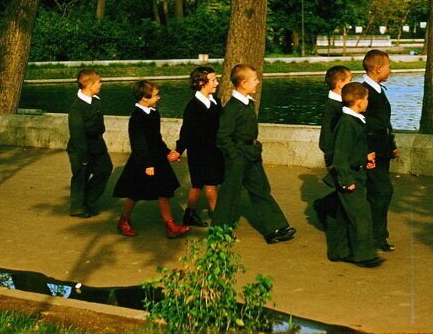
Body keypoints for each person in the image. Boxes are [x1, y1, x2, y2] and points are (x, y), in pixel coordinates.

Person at [211, 64, 296, 244]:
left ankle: (275, 228)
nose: (258, 82)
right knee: (229, 195)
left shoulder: (247, 103)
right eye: (255, 79)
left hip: (251, 155)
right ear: (243, 83)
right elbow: (222, 136)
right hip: (239, 157)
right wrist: (234, 156)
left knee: (261, 190)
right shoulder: (232, 108)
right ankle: (219, 233)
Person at [113, 81, 190, 238]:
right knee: (135, 192)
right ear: (145, 97)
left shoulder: (154, 113)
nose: (159, 97)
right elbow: (138, 143)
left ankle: (170, 225)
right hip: (142, 161)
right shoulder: (136, 118)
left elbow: (156, 139)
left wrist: (168, 153)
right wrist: (148, 164)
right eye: (156, 95)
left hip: (157, 159)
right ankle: (124, 220)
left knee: (164, 191)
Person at [327, 82, 384, 268]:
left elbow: (352, 148)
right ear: (359, 102)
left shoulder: (353, 121)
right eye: (366, 99)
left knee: (345, 215)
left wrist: (365, 156)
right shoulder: (347, 124)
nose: (368, 102)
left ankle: (338, 250)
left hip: (355, 172)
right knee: (361, 215)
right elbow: (340, 156)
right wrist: (346, 180)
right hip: (350, 176)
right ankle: (364, 255)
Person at [176, 66, 224, 227]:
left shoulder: (215, 101)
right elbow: (186, 131)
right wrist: (179, 150)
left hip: (213, 150)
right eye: (214, 80)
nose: (217, 83)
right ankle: (219, 221)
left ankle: (189, 214)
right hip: (199, 151)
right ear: (202, 83)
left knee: (198, 184)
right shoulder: (193, 107)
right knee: (209, 185)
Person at [361, 50, 398, 252]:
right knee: (382, 191)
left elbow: (383, 122)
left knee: (377, 191)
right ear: (377, 68)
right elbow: (363, 125)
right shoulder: (365, 92)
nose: (390, 70)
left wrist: (391, 145)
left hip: (381, 147)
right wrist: (368, 151)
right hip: (372, 150)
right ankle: (377, 236)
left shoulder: (376, 90)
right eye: (388, 66)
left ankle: (376, 235)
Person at [65, 69, 113, 218]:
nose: (101, 84)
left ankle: (89, 199)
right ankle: (78, 207)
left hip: (97, 145)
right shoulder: (77, 108)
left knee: (105, 168)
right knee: (81, 175)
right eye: (99, 82)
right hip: (81, 148)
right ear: (90, 85)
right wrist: (84, 158)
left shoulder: (96, 101)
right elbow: (77, 135)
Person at [313, 65, 353, 227]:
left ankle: (327, 209)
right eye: (350, 80)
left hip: (341, 155)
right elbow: (327, 137)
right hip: (336, 156)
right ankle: (325, 208)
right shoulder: (333, 107)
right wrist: (330, 159)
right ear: (339, 84)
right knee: (346, 189)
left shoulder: (340, 104)